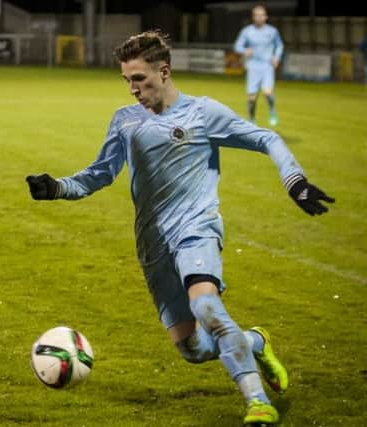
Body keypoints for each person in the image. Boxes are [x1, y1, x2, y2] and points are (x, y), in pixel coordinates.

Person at [26, 30, 334, 426]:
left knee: (207, 305)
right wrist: (55, 188)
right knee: (193, 349)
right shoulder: (125, 122)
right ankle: (254, 340)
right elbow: (98, 176)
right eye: (127, 81)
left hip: (196, 228)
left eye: (139, 79)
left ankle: (257, 401)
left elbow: (265, 138)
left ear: (164, 71)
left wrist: (296, 182)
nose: (133, 89)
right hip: (152, 243)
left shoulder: (202, 113)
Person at [234, 5, 283, 126]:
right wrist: (244, 51)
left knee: (267, 93)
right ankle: (251, 119)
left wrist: (276, 57)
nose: (259, 17)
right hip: (253, 67)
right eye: (256, 15)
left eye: (261, 15)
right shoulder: (247, 31)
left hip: (267, 66)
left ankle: (272, 110)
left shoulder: (272, 31)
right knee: (251, 98)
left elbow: (280, 45)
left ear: (266, 17)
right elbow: (237, 46)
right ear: (253, 17)